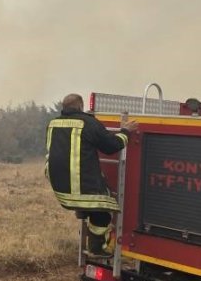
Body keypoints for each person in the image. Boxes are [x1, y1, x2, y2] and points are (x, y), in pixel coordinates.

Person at [45, 93, 138, 257]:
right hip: (81, 188)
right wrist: (126, 132)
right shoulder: (89, 123)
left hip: (61, 188)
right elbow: (111, 146)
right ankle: (96, 247)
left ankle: (84, 211)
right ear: (81, 107)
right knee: (103, 214)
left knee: (94, 204)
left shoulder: (53, 123)